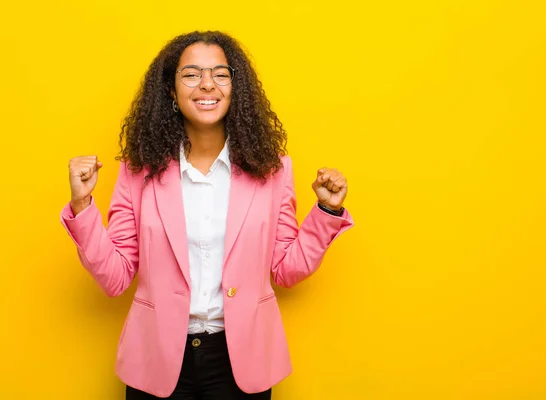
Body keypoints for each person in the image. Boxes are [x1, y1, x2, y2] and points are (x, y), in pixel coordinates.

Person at [61, 30, 353, 399]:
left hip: (241, 362)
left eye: (220, 73)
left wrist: (326, 210)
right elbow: (115, 278)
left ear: (235, 87)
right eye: (191, 74)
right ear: (171, 89)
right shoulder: (138, 171)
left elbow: (286, 270)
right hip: (156, 361)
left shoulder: (273, 169)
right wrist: (82, 207)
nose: (206, 85)